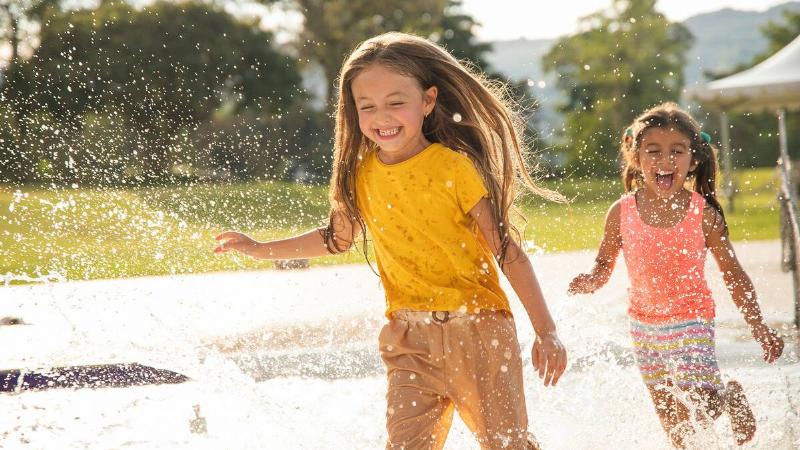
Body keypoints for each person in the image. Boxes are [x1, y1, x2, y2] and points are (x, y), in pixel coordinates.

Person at [214, 32, 567, 450]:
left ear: (428, 101)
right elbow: (335, 239)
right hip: (407, 340)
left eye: (396, 102)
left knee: (507, 445)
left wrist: (547, 332)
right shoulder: (360, 174)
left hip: (478, 333)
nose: (383, 116)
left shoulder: (453, 168)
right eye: (368, 106)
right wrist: (260, 248)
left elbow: (508, 252)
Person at [568, 102, 784, 448]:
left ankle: (727, 398)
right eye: (653, 152)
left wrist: (758, 325)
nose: (665, 161)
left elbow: (734, 275)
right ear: (636, 158)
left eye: (676, 152)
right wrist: (592, 280)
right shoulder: (621, 212)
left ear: (693, 160)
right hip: (644, 328)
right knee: (676, 430)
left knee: (702, 405)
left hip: (691, 320)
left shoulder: (703, 216)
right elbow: (604, 262)